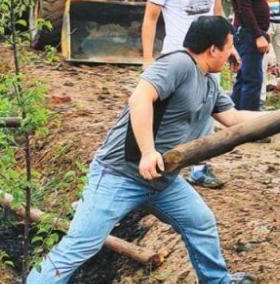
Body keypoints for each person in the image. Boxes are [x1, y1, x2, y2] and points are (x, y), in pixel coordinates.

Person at [27, 16, 256, 283]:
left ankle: (217, 281)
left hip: (162, 180)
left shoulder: (209, 82)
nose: (231, 53)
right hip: (119, 176)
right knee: (81, 245)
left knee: (200, 222)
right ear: (213, 49)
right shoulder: (179, 63)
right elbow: (140, 97)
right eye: (229, 46)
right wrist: (148, 152)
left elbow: (234, 119)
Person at [142, 0, 237, 189]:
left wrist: (229, 47)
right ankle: (157, 158)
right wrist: (148, 58)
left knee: (206, 112)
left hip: (209, 58)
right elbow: (150, 19)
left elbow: (218, 13)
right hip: (178, 59)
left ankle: (200, 167)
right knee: (174, 113)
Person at [228, 0, 270, 111]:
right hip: (248, 33)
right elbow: (244, 9)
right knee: (253, 79)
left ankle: (236, 119)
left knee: (245, 77)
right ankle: (250, 125)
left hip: (250, 32)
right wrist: (257, 35)